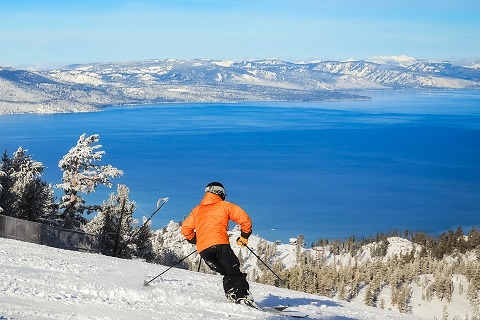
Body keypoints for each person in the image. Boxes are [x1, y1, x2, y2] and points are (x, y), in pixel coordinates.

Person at [181, 182, 253, 304]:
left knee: (226, 271)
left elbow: (185, 229)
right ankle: (242, 296)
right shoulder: (225, 206)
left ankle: (232, 294)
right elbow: (245, 219)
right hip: (220, 245)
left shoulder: (197, 210)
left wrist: (196, 240)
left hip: (204, 250)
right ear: (221, 193)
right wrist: (244, 236)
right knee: (233, 270)